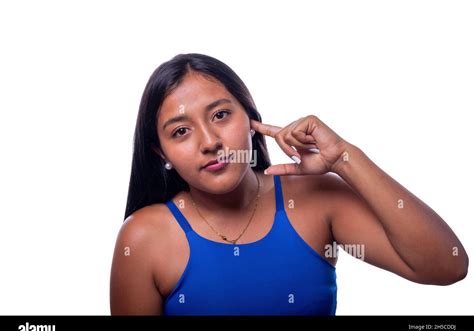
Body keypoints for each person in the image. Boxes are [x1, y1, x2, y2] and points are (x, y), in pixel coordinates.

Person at [110, 53, 468, 316]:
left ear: (251, 118)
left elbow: (446, 266)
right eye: (181, 131)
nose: (209, 141)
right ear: (161, 152)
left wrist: (345, 157)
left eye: (221, 115)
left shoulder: (315, 198)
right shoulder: (144, 238)